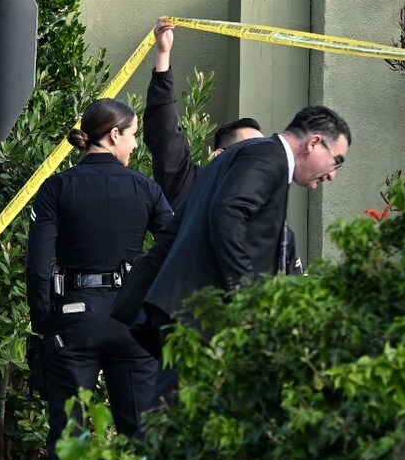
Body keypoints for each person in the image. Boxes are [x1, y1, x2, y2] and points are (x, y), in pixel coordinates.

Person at [140, 104, 351, 396]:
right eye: (336, 161)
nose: (332, 176)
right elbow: (227, 213)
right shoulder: (268, 156)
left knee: (174, 421)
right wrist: (246, 296)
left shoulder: (244, 156)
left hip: (184, 310)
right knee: (177, 423)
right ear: (314, 142)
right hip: (199, 317)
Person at [25, 98, 173, 460]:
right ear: (113, 135)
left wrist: (45, 322)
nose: (135, 144)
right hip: (131, 321)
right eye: (133, 135)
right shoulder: (146, 188)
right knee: (142, 436)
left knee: (69, 437)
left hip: (74, 319)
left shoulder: (56, 187)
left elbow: (38, 265)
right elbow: (174, 246)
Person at [145, 17, 302, 275]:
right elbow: (164, 134)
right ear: (220, 156)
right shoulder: (191, 186)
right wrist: (163, 55)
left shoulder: (271, 214)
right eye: (248, 151)